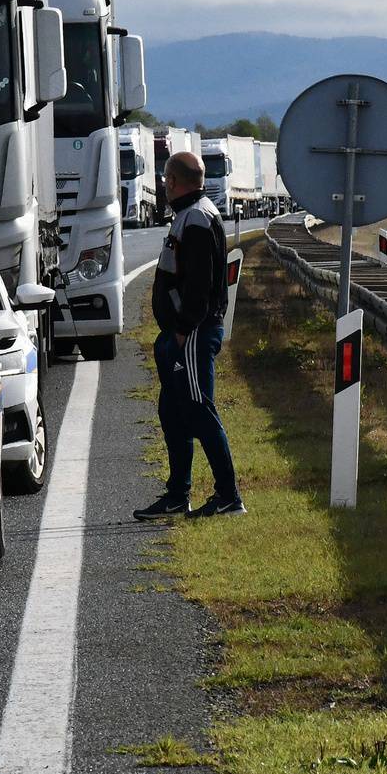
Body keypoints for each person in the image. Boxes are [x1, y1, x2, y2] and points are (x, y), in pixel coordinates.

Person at [135, 150, 243, 519]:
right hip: (181, 334)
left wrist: (182, 330)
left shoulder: (196, 217)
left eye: (166, 179)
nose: (164, 186)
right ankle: (177, 494)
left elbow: (200, 282)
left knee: (199, 412)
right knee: (173, 413)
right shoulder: (189, 214)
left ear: (175, 181)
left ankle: (228, 496)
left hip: (193, 332)